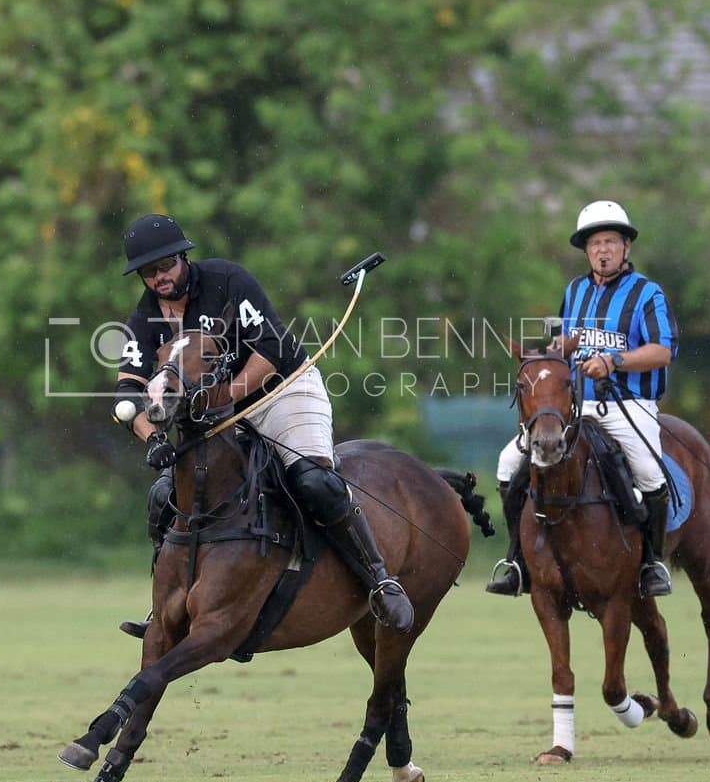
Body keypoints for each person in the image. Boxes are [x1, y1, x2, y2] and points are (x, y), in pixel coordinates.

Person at [110, 214, 414, 635]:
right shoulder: (145, 320)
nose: (159, 277)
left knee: (312, 481)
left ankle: (380, 579)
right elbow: (127, 394)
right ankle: (166, 603)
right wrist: (153, 438)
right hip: (213, 415)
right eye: (148, 272)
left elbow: (270, 347)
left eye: (165, 266)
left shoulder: (226, 281)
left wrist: (226, 397)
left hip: (281, 387)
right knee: (165, 495)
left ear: (182, 258)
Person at [487, 199, 678, 600]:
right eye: (595, 244)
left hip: (629, 405)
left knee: (649, 473)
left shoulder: (647, 293)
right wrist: (552, 351)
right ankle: (518, 559)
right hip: (575, 407)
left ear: (626, 247)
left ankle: (652, 564)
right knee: (509, 463)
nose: (602, 250)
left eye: (610, 241)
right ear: (586, 251)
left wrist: (614, 361)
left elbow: (663, 351)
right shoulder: (574, 291)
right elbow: (567, 345)